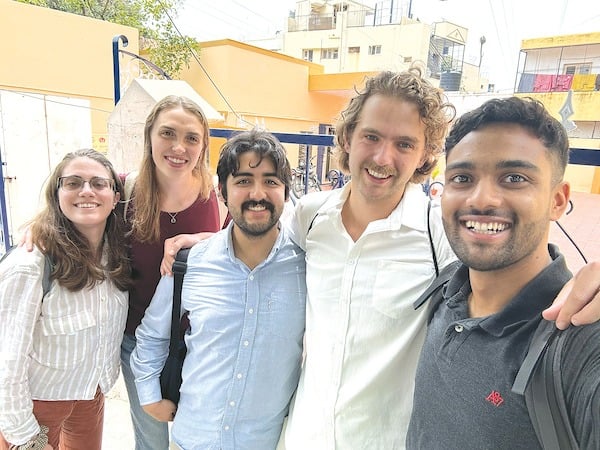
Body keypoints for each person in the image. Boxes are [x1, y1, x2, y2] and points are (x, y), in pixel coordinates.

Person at [279, 68, 600, 449]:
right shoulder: (309, 216)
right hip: (301, 436)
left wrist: (587, 285)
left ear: (424, 155)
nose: (383, 157)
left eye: (403, 144)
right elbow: (262, 251)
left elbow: (512, 262)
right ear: (348, 137)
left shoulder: (443, 233)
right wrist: (205, 239)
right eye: (371, 136)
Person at [407, 96, 600, 448]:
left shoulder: (580, 341)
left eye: (513, 178)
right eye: (462, 177)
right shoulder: (445, 289)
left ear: (558, 199)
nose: (482, 199)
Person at [131, 129, 306, 450]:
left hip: (269, 442)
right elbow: (151, 335)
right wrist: (149, 396)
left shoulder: (307, 267)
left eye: (270, 181)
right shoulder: (191, 263)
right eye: (242, 181)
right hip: (193, 438)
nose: (258, 193)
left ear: (285, 192)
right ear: (223, 193)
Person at [0, 149, 131, 450]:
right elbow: (6, 363)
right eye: (73, 183)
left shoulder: (117, 258)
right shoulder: (30, 265)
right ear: (57, 193)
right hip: (37, 406)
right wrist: (26, 438)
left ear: (115, 197)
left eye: (99, 183)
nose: (87, 191)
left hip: (90, 397)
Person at [119, 95, 224, 450]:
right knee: (151, 441)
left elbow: (238, 246)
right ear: (149, 136)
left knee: (194, 438)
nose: (179, 147)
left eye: (192, 138)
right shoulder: (124, 192)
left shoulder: (216, 195)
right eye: (168, 133)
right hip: (137, 342)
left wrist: (199, 238)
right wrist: (35, 233)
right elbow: (70, 207)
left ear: (203, 146)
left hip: (197, 343)